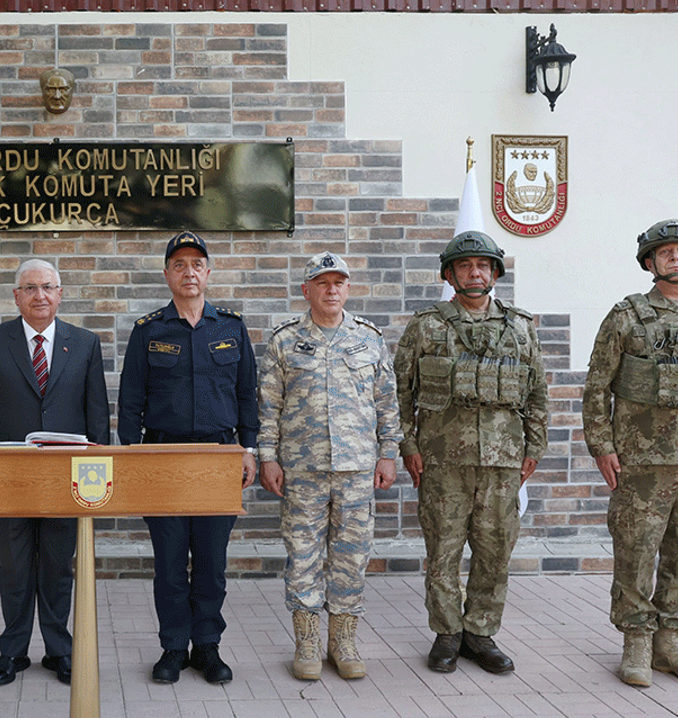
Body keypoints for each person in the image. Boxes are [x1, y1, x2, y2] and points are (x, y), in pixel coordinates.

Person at [393, 231, 547, 675]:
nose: (474, 272)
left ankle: (480, 632)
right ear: (450, 274)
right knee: (442, 550)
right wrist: (407, 445)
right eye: (464, 266)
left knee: (495, 550)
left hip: (503, 462)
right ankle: (447, 632)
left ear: (495, 273)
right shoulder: (427, 326)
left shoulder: (520, 328)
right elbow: (400, 393)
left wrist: (534, 447)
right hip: (442, 461)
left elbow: (537, 393)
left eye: (483, 265)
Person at [117, 230, 259, 685]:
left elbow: (246, 396)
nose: (189, 271)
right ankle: (174, 647)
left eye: (196, 264)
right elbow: (130, 399)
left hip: (219, 459)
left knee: (212, 564)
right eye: (179, 264)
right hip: (163, 459)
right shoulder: (149, 330)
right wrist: (133, 459)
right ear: (167, 275)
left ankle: (208, 648)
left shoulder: (231, 328)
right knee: (170, 564)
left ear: (208, 273)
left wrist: (249, 449)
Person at [0, 259, 110, 687]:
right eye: (29, 288)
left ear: (60, 293)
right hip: (9, 478)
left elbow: (97, 414)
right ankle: (12, 652)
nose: (39, 296)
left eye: (47, 287)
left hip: (66, 479)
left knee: (58, 567)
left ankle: (60, 651)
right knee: (13, 567)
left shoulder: (84, 343)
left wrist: (96, 476)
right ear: (16, 296)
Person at [258, 252, 401, 681]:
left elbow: (386, 401)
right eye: (322, 283)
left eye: (339, 282)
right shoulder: (284, 341)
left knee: (351, 557)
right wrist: (267, 456)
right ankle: (306, 642)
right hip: (303, 469)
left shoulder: (370, 340)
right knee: (302, 556)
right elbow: (268, 406)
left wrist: (388, 451)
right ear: (307, 291)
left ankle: (342, 640)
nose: (331, 289)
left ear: (348, 289)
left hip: (358, 468)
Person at [584, 219, 678, 687]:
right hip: (642, 463)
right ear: (650, 262)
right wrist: (602, 447)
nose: (675, 257)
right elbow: (597, 387)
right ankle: (637, 640)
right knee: (637, 553)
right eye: (666, 251)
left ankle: (670, 641)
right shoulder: (627, 317)